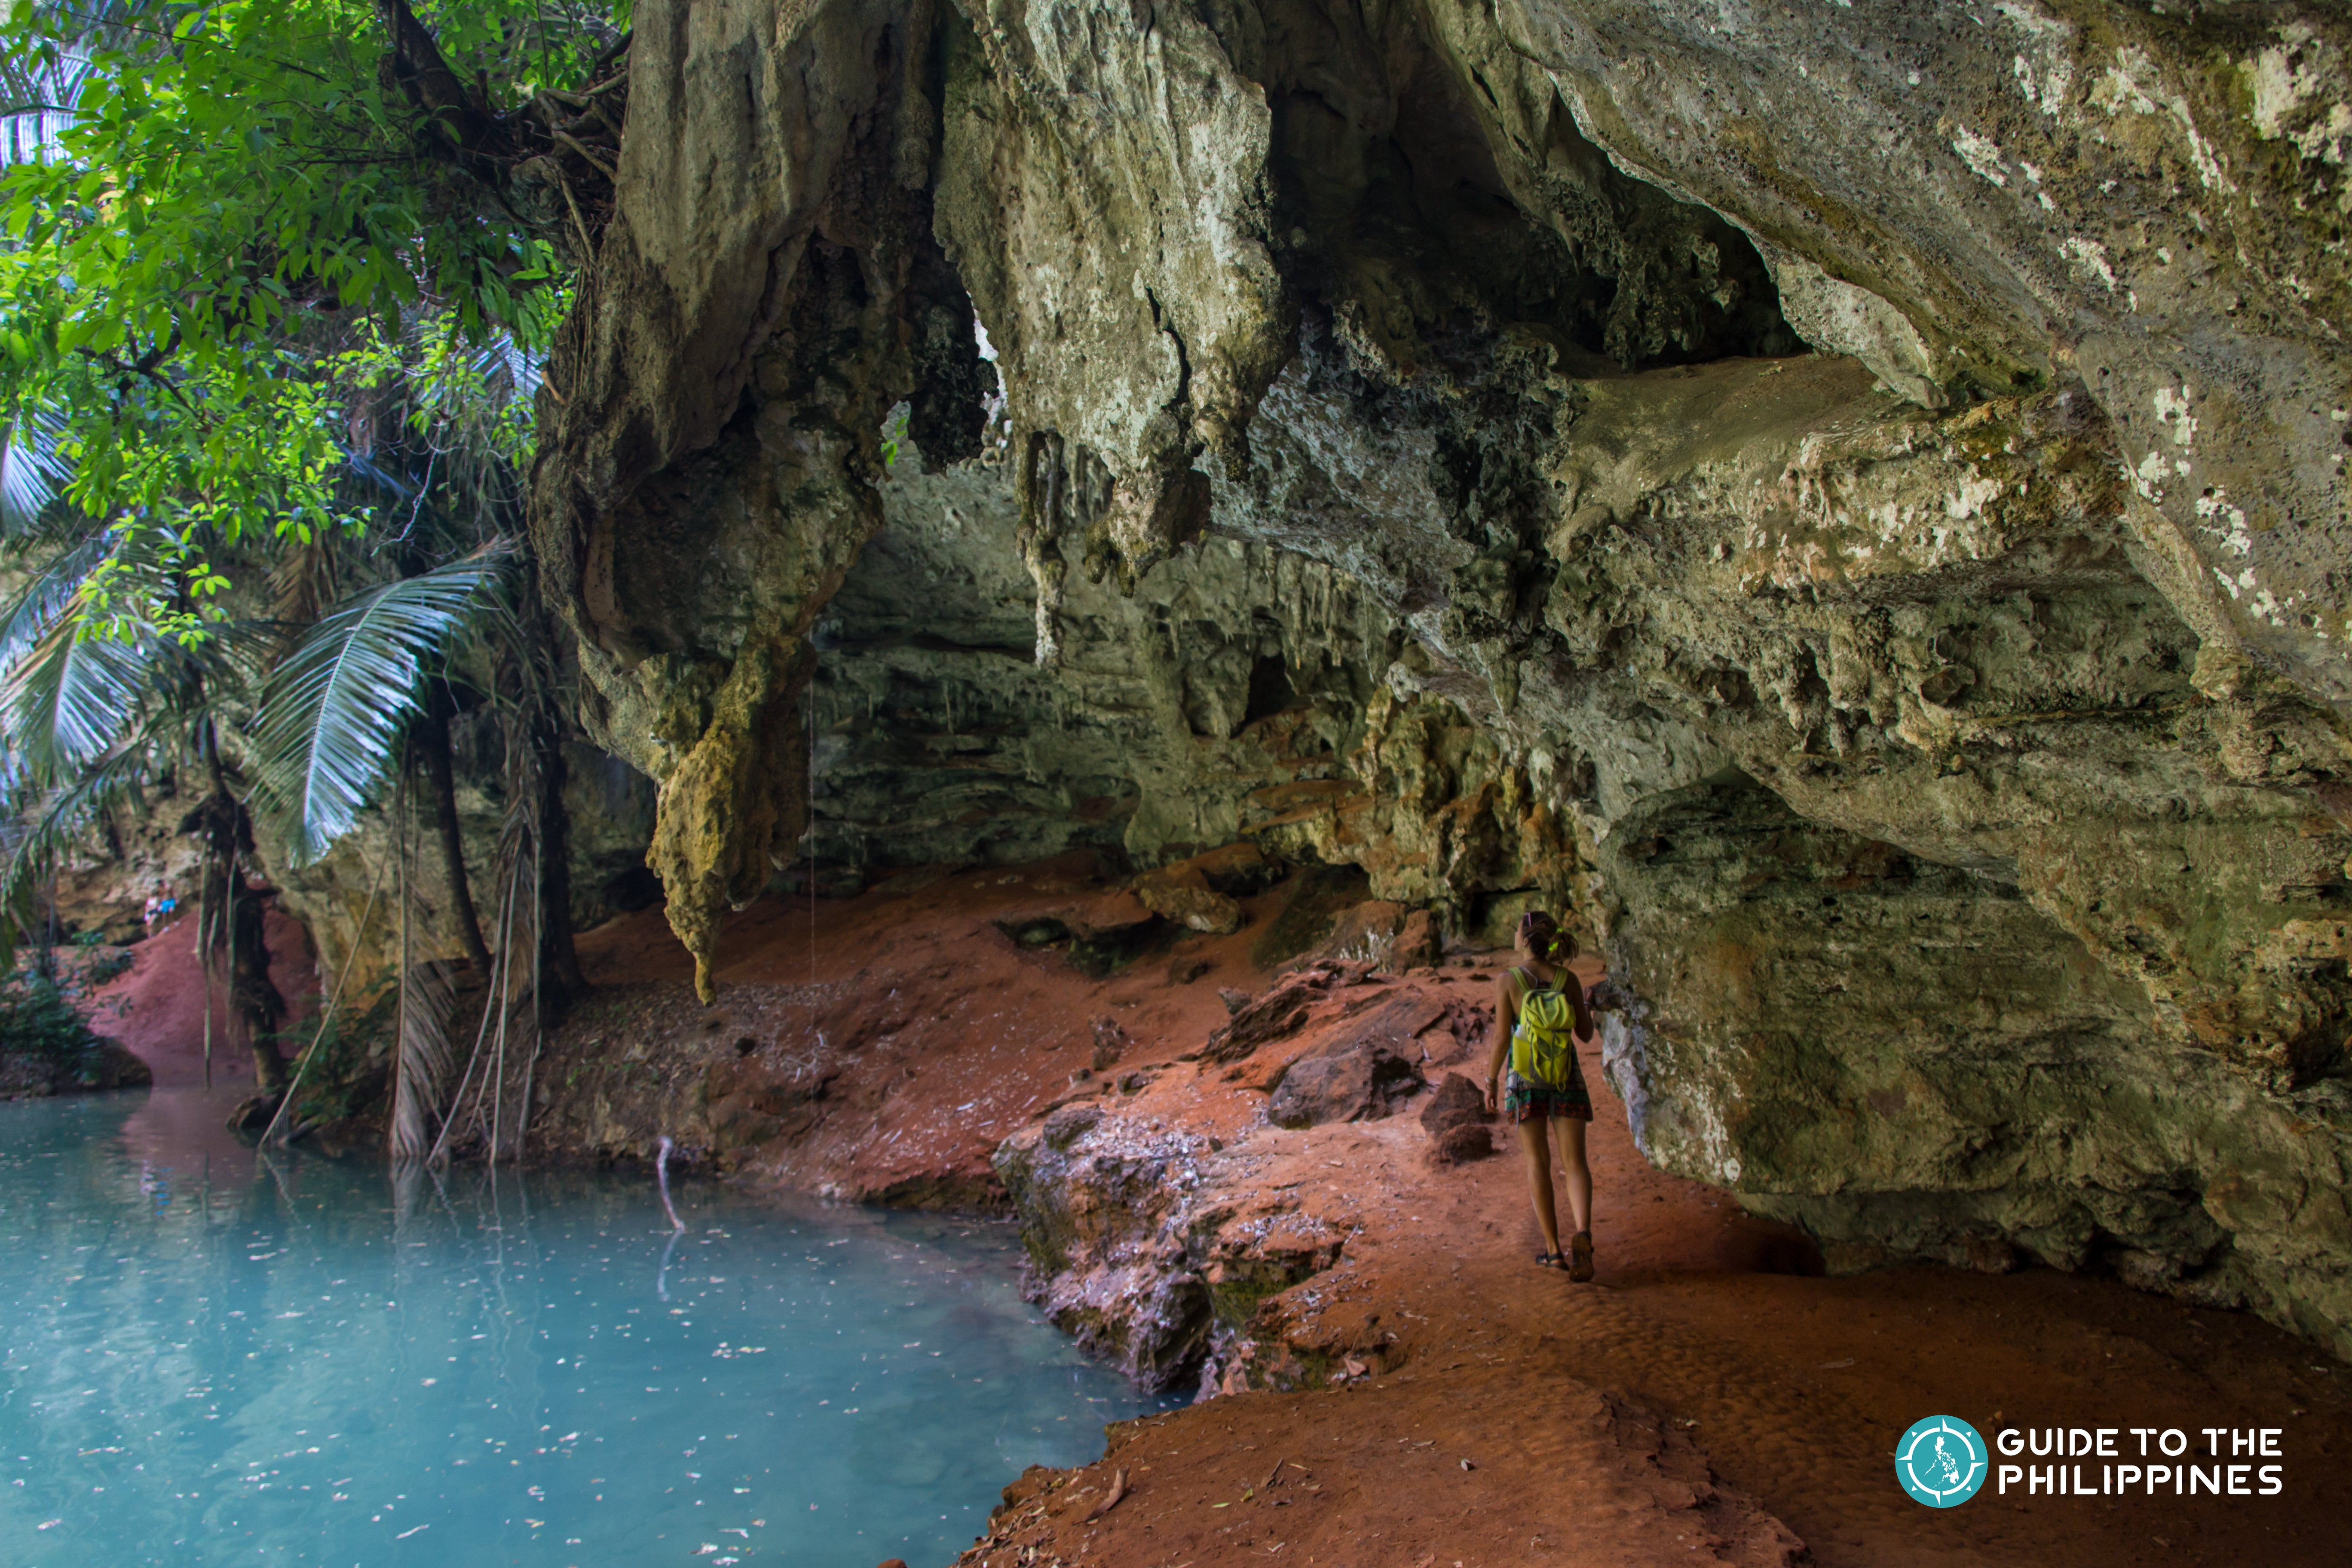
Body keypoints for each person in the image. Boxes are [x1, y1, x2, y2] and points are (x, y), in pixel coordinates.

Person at [1484, 910, 1601, 1280]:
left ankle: (1553, 1251)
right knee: (1576, 1164)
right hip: (1567, 1077)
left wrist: (1490, 1081)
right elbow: (1585, 1035)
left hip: (1525, 1079)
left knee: (1539, 1163)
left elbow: (1503, 1038)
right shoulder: (1569, 979)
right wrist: (1586, 1004)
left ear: (1524, 937)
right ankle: (1582, 1233)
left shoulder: (1509, 981)